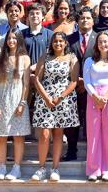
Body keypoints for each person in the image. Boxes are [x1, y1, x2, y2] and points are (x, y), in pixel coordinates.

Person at [30, 31, 80, 182]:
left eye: (60, 41)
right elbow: (37, 79)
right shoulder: (45, 57)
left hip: (63, 100)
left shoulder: (72, 58)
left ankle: (55, 168)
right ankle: (42, 167)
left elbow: (74, 81)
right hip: (45, 99)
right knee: (45, 134)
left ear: (65, 43)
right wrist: (46, 97)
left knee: (58, 134)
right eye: (55, 41)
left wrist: (61, 97)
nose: (58, 44)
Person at [0, 29, 31, 181]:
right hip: (1, 98)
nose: (11, 41)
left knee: (18, 135)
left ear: (19, 40)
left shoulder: (25, 58)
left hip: (17, 99)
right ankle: (1, 166)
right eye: (9, 38)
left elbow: (26, 84)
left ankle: (17, 167)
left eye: (14, 38)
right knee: (1, 135)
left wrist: (22, 103)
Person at [83, 32, 108, 182]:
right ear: (96, 44)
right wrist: (96, 97)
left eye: (105, 41)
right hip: (93, 97)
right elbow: (87, 81)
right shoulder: (89, 61)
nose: (103, 44)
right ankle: (94, 169)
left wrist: (105, 98)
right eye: (100, 42)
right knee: (93, 134)